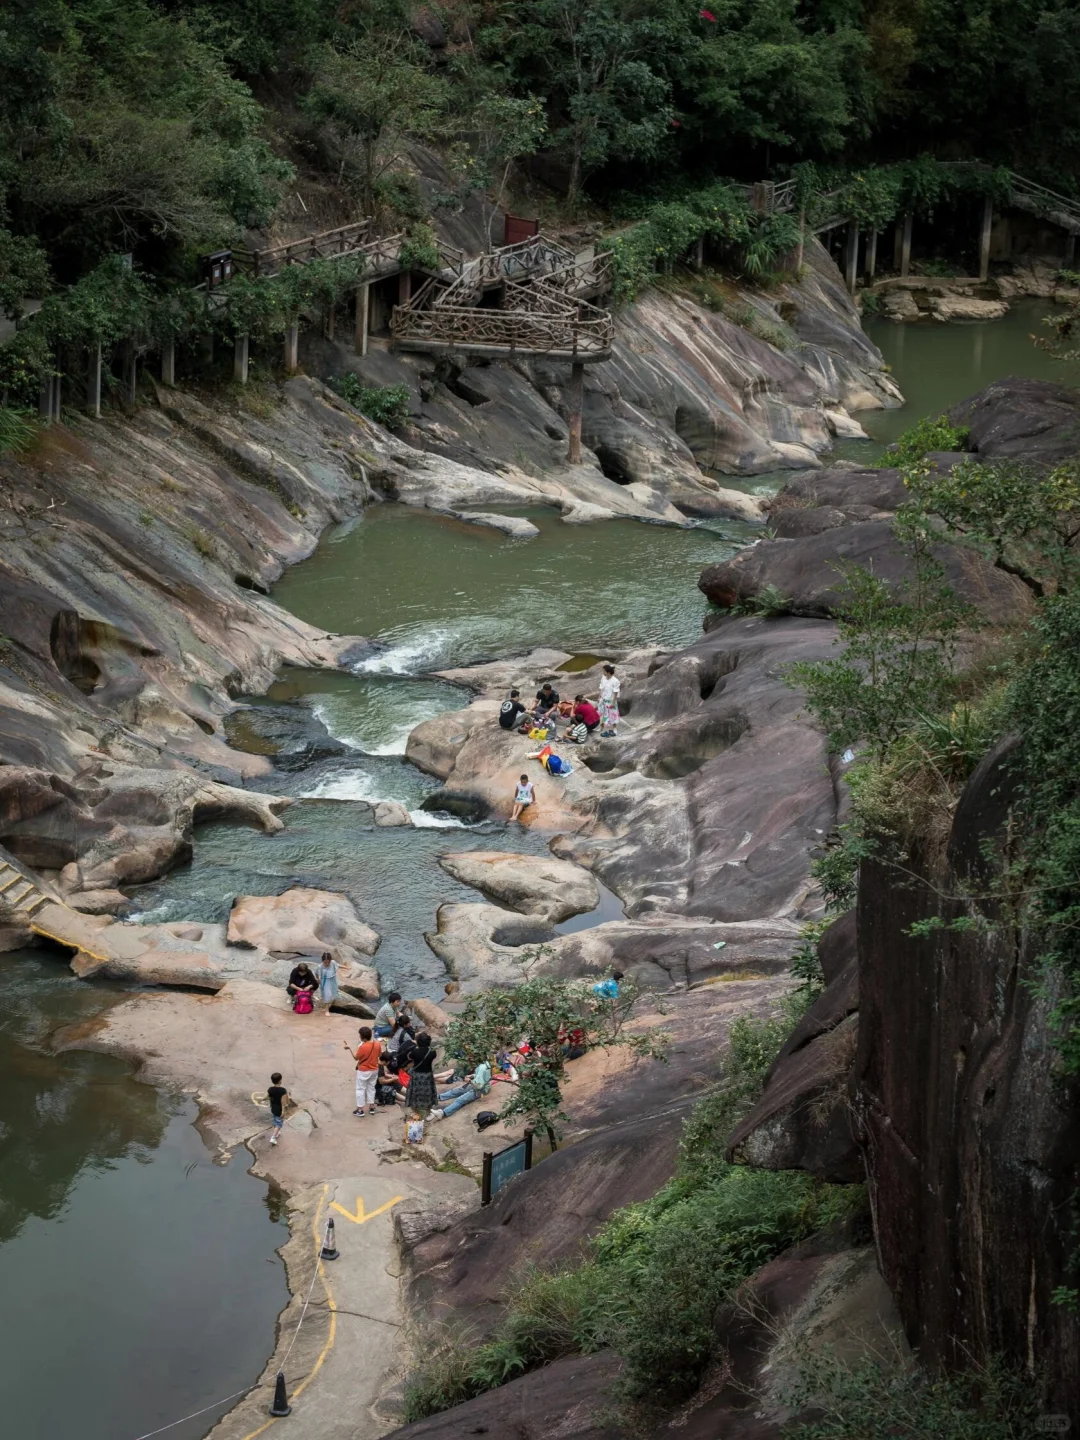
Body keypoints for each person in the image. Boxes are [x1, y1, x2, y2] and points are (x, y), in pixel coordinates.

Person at [345, 1025, 382, 1117]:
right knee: (371, 1088)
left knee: (360, 1089)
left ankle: (360, 1110)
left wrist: (349, 1048)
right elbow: (379, 1055)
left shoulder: (362, 1047)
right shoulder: (377, 1044)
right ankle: (372, 1107)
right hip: (374, 1069)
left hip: (364, 1070)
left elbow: (356, 1058)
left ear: (363, 1037)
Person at [405, 1032, 438, 1113]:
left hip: (417, 1075)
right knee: (427, 1092)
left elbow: (409, 1057)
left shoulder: (414, 1051)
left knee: (416, 1092)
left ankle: (416, 1109)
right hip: (427, 1075)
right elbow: (433, 1056)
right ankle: (428, 1110)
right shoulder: (432, 1052)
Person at [596, 664, 621, 737]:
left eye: (604, 671)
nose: (603, 672)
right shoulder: (603, 678)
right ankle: (602, 727)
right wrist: (599, 696)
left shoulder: (615, 681)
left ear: (608, 672)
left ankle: (614, 728)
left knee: (613, 714)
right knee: (602, 714)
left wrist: (613, 702)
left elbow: (616, 692)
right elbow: (601, 687)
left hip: (610, 700)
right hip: (603, 699)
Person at [267, 1072, 288, 1146]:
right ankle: (273, 1137)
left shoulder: (270, 1089)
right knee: (279, 1123)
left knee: (275, 1119)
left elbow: (268, 1097)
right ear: (280, 1081)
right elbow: (283, 1102)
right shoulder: (283, 1091)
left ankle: (277, 1133)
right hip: (279, 1109)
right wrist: (283, 1111)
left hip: (273, 1108)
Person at [316, 951, 339, 1018]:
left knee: (332, 993)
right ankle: (327, 1010)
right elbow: (316, 973)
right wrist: (318, 979)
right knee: (327, 994)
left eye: (328, 962)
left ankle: (328, 1004)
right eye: (325, 962)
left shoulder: (333, 962)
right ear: (322, 960)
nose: (326, 963)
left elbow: (338, 965)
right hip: (325, 981)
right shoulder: (320, 966)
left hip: (333, 979)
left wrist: (346, 967)